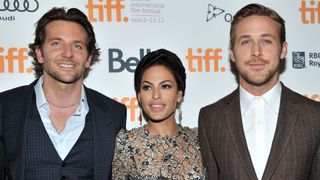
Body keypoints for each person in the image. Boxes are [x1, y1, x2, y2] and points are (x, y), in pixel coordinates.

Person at [0, 7, 126, 179]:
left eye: (77, 45)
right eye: (56, 43)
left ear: (89, 58)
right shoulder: (5, 107)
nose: (68, 54)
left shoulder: (113, 114)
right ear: (39, 54)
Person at [198, 3, 320, 180]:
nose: (256, 52)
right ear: (232, 53)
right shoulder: (210, 118)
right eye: (246, 42)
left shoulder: (315, 116)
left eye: (266, 41)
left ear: (283, 50)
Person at [112, 49, 206, 179]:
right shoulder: (126, 143)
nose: (156, 95)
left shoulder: (200, 140)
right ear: (139, 96)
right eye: (147, 87)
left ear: (179, 94)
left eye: (165, 86)